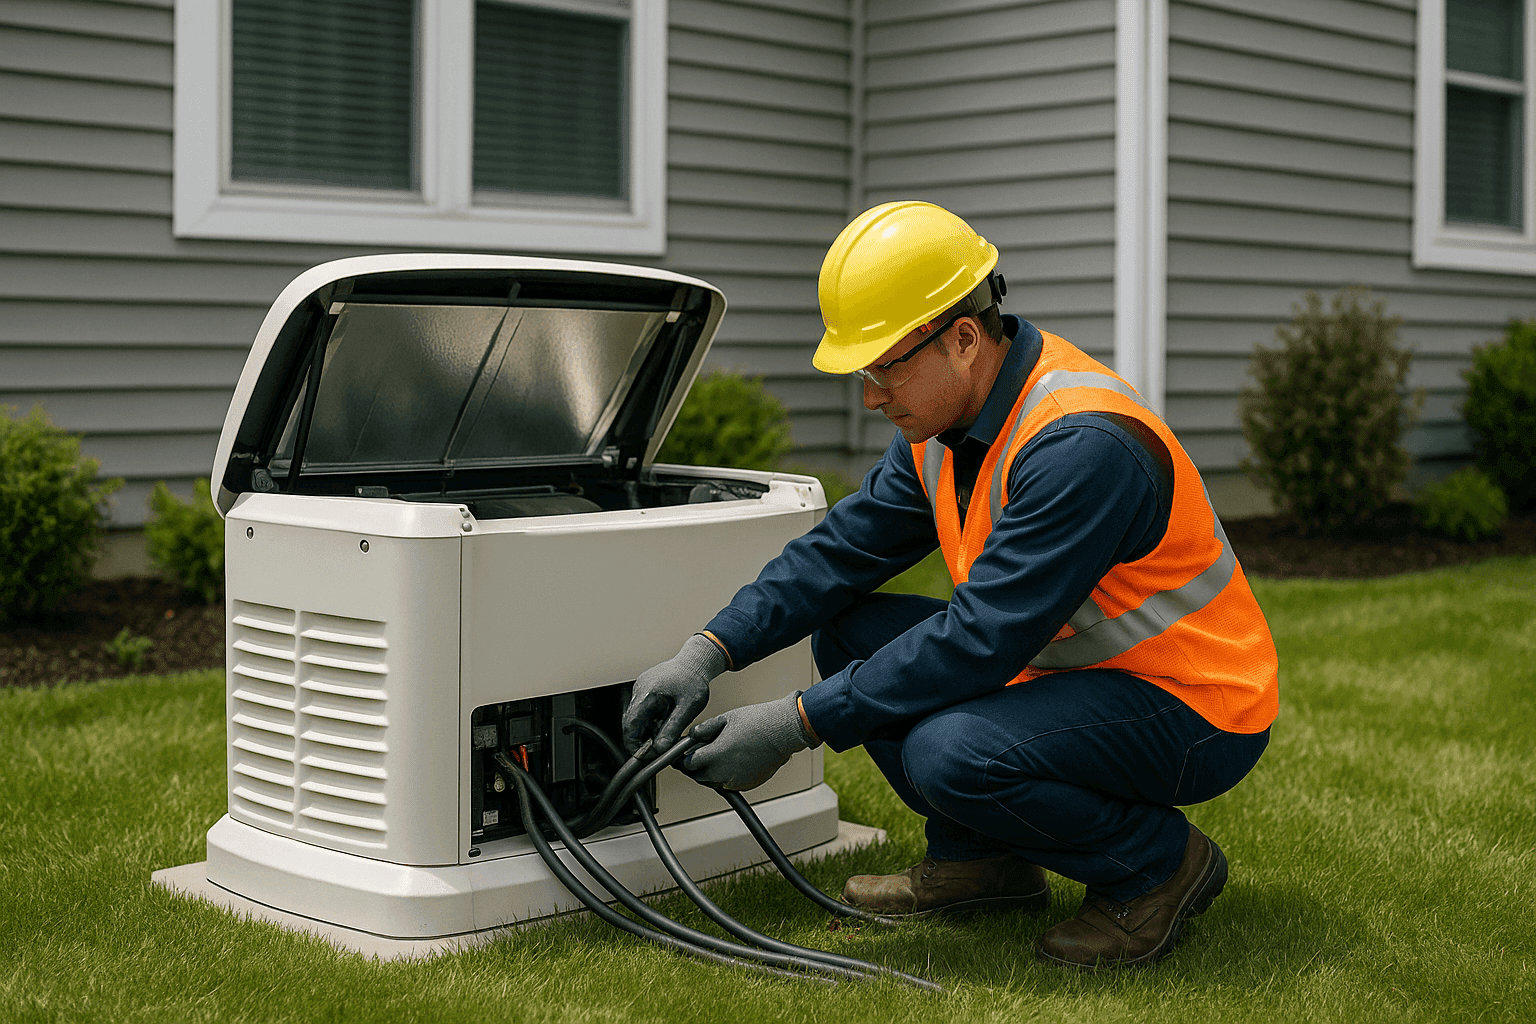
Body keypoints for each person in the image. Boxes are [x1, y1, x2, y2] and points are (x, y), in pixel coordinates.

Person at [621, 201, 1278, 969]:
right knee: (849, 629)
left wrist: (797, 723)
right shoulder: (945, 427)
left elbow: (980, 640)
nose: (871, 395)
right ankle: (981, 862)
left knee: (951, 753)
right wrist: (709, 650)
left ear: (963, 339)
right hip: (1068, 673)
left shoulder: (1080, 444)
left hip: (1194, 702)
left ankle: (1157, 866)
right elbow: (838, 555)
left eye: (884, 366)